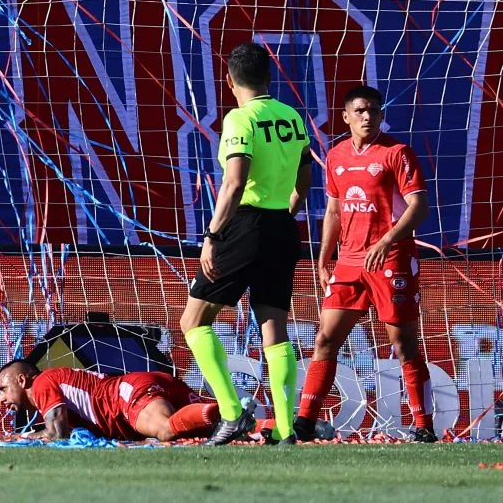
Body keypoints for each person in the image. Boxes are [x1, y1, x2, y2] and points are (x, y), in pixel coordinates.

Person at [179, 41, 312, 445]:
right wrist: (287, 209)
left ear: (230, 80)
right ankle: (287, 431)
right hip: (281, 228)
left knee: (193, 321)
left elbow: (235, 183)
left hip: (245, 226)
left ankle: (233, 413)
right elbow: (305, 179)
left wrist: (213, 235)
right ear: (268, 77)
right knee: (274, 326)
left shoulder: (240, 118)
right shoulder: (291, 117)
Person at [295, 85, 434, 443]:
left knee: (403, 345)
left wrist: (386, 240)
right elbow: (333, 210)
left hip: (391, 259)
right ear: (346, 116)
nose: (367, 116)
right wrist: (324, 256)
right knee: (325, 338)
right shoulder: (336, 156)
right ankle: (305, 422)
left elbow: (419, 206)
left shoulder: (397, 153)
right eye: (360, 111)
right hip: (350, 262)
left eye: (373, 110)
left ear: (381, 115)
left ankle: (423, 426)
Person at [0, 360, 225, 441]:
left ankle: (220, 411)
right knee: (216, 431)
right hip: (144, 385)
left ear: (22, 380)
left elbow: (57, 434)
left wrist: (21, 436)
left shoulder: (43, 383)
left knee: (165, 430)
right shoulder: (52, 383)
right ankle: (248, 420)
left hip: (128, 395)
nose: (2, 398)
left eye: (3, 389)